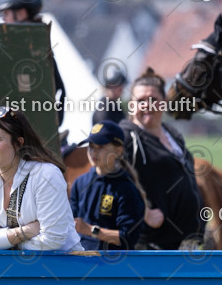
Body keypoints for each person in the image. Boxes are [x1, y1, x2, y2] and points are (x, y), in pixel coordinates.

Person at [0, 107, 82, 251]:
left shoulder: (46, 175)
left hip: (63, 267)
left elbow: (53, 240)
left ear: (18, 143)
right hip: (14, 269)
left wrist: (2, 239)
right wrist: (25, 231)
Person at [120, 70, 203, 250]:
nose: (147, 105)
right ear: (131, 106)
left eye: (153, 99)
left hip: (187, 243)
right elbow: (113, 183)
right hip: (151, 245)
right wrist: (145, 213)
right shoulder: (125, 138)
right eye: (141, 101)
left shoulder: (173, 134)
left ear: (164, 103)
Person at [0, 0, 68, 127]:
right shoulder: (32, 44)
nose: (3, 19)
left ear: (21, 13)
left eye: (6, 13)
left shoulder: (31, 48)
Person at [68, 121, 146, 251]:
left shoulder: (127, 189)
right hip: (80, 260)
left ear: (118, 150)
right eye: (91, 146)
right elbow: (71, 225)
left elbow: (128, 237)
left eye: (101, 147)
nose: (93, 152)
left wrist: (92, 230)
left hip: (112, 265)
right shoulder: (80, 183)